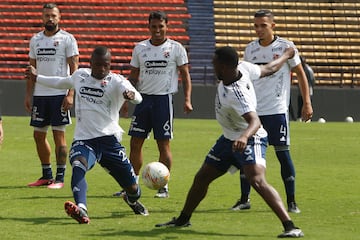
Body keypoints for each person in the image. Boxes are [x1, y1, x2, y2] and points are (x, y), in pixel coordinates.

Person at [155, 46, 304, 238]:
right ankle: (183, 219)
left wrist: (243, 137)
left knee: (257, 180)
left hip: (250, 139)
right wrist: (286, 56)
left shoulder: (237, 93)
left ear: (224, 67)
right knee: (202, 178)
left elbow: (255, 122)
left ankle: (290, 226)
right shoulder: (243, 67)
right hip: (228, 139)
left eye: (214, 63)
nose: (212, 66)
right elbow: (268, 69)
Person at [25, 46, 148, 224]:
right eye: (97, 65)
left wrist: (131, 95)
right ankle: (81, 209)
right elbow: (61, 82)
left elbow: (138, 98)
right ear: (90, 64)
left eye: (105, 65)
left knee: (133, 188)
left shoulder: (117, 81)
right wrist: (37, 78)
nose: (101, 69)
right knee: (78, 165)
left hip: (110, 142)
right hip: (84, 140)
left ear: (110, 64)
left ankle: (131, 199)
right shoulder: (80, 76)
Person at [231, 9, 313, 214]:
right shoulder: (250, 49)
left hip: (276, 110)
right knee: (247, 154)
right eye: (256, 25)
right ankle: (244, 199)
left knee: (283, 154)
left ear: (272, 26)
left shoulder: (286, 47)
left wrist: (306, 103)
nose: (259, 29)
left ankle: (292, 201)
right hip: (254, 112)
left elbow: (301, 75)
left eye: (263, 25)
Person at [113, 10, 193, 198]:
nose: (157, 30)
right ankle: (131, 184)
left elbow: (185, 75)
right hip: (142, 100)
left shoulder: (176, 48)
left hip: (163, 100)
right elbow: (132, 77)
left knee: (163, 144)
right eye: (154, 26)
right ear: (148, 27)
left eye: (161, 26)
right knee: (135, 143)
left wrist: (188, 98)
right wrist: (126, 100)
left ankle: (163, 186)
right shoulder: (140, 48)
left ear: (167, 26)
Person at [24, 3, 79, 189]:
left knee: (59, 136)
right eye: (47, 15)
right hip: (40, 95)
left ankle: (60, 178)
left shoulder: (68, 39)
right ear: (42, 17)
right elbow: (32, 70)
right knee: (38, 135)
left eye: (53, 15)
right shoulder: (35, 40)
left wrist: (70, 94)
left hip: (58, 94)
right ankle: (46, 175)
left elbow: (75, 70)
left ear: (59, 17)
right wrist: (28, 94)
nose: (50, 19)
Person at [297, 56, 315, 120]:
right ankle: (299, 118)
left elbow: (312, 80)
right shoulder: (300, 68)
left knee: (306, 105)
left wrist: (307, 87)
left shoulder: (308, 69)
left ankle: (307, 118)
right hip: (300, 91)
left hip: (308, 92)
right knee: (300, 105)